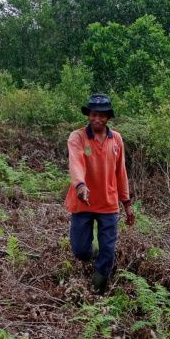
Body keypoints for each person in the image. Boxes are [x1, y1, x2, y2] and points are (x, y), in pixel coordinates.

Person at [65, 94, 135, 295]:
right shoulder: (77, 137)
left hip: (108, 203)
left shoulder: (117, 139)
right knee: (80, 250)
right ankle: (92, 252)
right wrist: (80, 185)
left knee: (108, 250)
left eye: (102, 116)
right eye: (94, 115)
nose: (97, 120)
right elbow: (76, 162)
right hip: (82, 202)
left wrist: (127, 203)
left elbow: (121, 172)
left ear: (108, 117)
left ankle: (97, 292)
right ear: (88, 115)